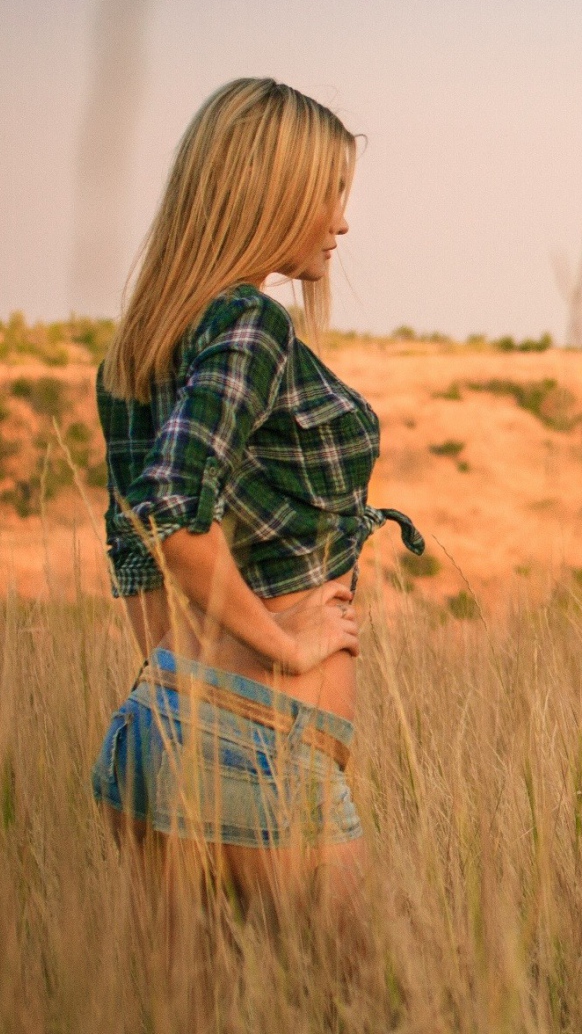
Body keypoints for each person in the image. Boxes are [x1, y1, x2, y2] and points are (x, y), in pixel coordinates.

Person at [90, 77, 425, 905]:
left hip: (158, 728)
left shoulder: (142, 343)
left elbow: (132, 549)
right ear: (269, 196)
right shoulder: (251, 324)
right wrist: (285, 648)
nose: (342, 221)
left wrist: (192, 688)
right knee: (352, 1010)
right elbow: (171, 514)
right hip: (258, 747)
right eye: (328, 194)